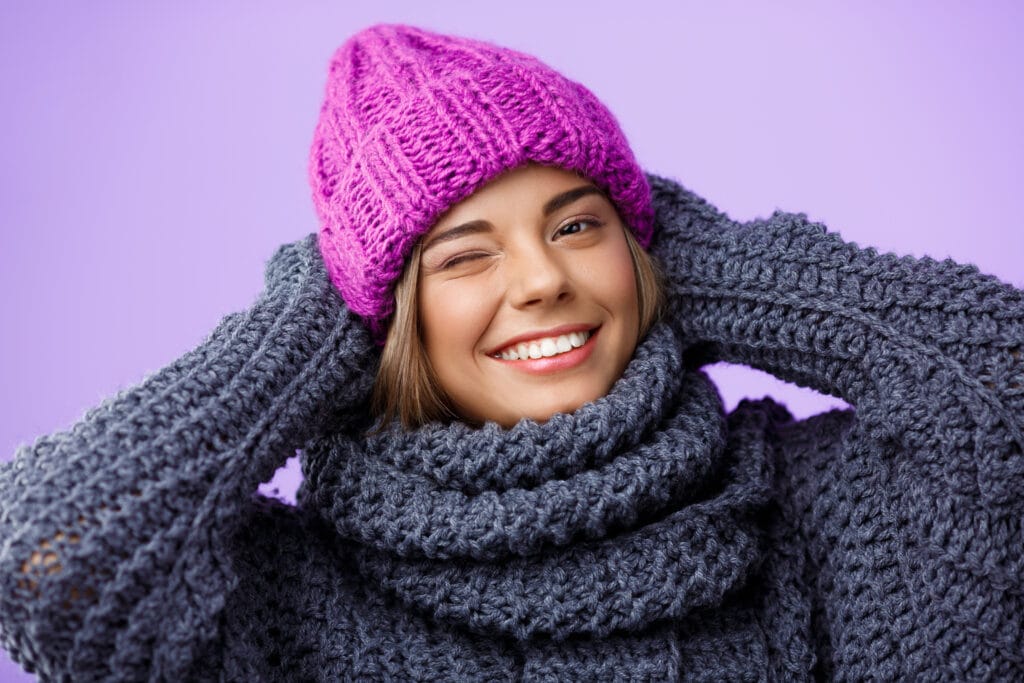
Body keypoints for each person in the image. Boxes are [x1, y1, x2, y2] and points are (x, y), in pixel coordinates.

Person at [1, 22, 1022, 682]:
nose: (540, 278)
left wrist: (706, 266)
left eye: (577, 225)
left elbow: (1002, 390)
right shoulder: (285, 599)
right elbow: (44, 559)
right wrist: (309, 323)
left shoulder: (806, 505)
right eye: (463, 255)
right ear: (378, 317)